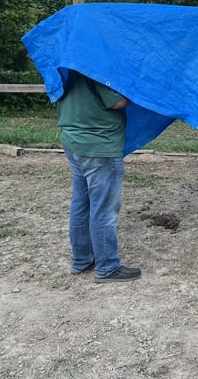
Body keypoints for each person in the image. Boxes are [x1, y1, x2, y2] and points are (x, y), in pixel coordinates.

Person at [57, 70, 141, 283]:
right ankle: (107, 267)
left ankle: (81, 259)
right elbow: (117, 102)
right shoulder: (96, 66)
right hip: (98, 147)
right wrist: (139, 89)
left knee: (81, 203)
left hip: (73, 140)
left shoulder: (67, 66)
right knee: (103, 208)